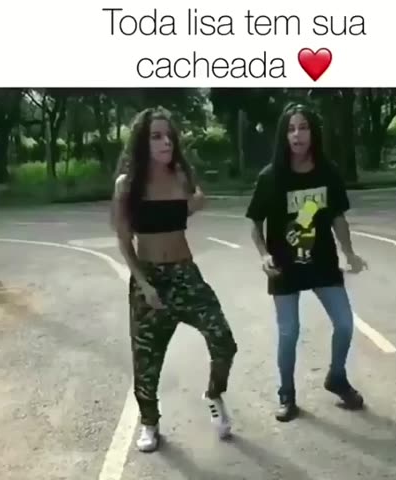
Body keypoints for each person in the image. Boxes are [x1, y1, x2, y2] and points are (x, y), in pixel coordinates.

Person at [111, 107, 238, 452]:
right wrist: (144, 284)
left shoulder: (181, 176)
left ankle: (214, 394)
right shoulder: (127, 186)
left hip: (185, 274)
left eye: (169, 136)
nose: (166, 142)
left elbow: (190, 205)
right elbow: (124, 241)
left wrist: (196, 202)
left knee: (223, 340)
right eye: (156, 136)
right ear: (143, 143)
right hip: (150, 279)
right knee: (146, 362)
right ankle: (150, 423)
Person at [245, 102, 367, 422]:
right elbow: (255, 222)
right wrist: (264, 255)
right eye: (290, 129)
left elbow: (337, 217)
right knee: (289, 332)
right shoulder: (271, 177)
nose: (297, 134)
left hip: (322, 262)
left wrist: (349, 252)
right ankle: (286, 394)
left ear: (313, 133)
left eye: (303, 128)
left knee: (344, 324)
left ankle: (336, 377)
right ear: (283, 135)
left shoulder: (328, 172)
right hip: (284, 266)